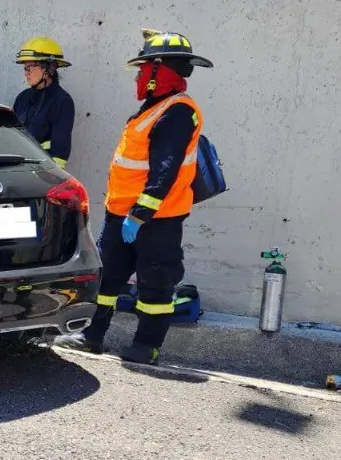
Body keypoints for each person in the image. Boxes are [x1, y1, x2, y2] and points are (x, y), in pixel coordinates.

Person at [56, 30, 211, 365]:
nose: (137, 78)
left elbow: (165, 169)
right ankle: (91, 335)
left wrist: (141, 213)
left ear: (159, 71)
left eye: (142, 70)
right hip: (122, 215)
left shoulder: (178, 111)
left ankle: (146, 346)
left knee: (155, 285)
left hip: (155, 219)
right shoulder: (151, 109)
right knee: (107, 279)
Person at [12, 36, 75, 167]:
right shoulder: (22, 98)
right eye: (25, 68)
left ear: (48, 69)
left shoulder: (62, 101)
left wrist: (51, 175)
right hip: (15, 168)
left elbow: (60, 153)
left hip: (41, 170)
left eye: (30, 67)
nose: (26, 73)